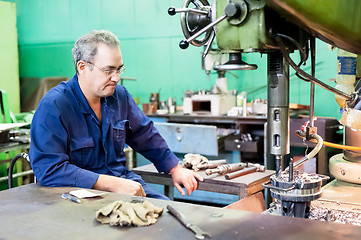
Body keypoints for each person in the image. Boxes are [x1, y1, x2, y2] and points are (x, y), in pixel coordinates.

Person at [29, 30, 203, 200]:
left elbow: (144, 134)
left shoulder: (119, 96)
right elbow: (48, 169)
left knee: (166, 214)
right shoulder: (54, 106)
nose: (116, 78)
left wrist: (174, 168)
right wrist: (109, 183)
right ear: (82, 67)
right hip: (78, 196)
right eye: (108, 70)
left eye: (119, 69)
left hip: (124, 184)